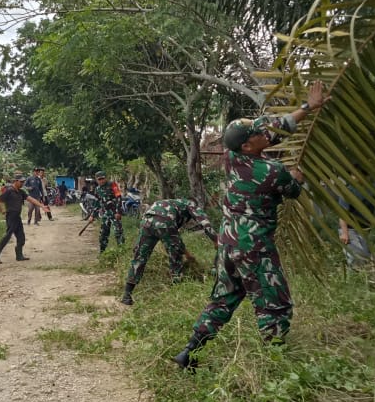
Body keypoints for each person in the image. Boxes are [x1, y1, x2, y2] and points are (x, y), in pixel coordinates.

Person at [173, 81, 330, 370]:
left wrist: (309, 106)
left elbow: (275, 126)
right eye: (258, 132)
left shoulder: (232, 156)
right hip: (254, 246)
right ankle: (277, 369)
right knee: (274, 305)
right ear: (248, 144)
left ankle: (189, 353)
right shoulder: (272, 172)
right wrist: (298, 178)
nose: (264, 131)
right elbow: (293, 191)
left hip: (229, 242)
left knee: (223, 299)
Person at [120, 198, 216, 305]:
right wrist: (216, 240)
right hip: (164, 222)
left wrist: (188, 255)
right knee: (175, 256)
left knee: (139, 257)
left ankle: (127, 295)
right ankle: (177, 289)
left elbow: (175, 240)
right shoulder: (190, 204)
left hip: (146, 221)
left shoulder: (171, 203)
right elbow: (205, 223)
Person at [0, 172, 45, 263]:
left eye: (23, 182)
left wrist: (42, 206)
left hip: (17, 217)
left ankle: (19, 256)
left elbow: (30, 199)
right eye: (21, 182)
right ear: (15, 181)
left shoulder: (20, 192)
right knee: (7, 236)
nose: (22, 183)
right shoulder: (9, 191)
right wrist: (1, 211)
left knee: (21, 237)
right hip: (11, 217)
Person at [92, 171, 124, 252]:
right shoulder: (97, 189)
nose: (101, 181)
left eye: (103, 178)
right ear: (96, 180)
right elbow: (97, 203)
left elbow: (119, 198)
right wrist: (93, 215)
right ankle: (102, 252)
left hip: (114, 213)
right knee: (103, 234)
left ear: (105, 178)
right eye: (99, 179)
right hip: (105, 214)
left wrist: (118, 212)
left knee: (118, 232)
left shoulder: (112, 185)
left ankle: (122, 251)